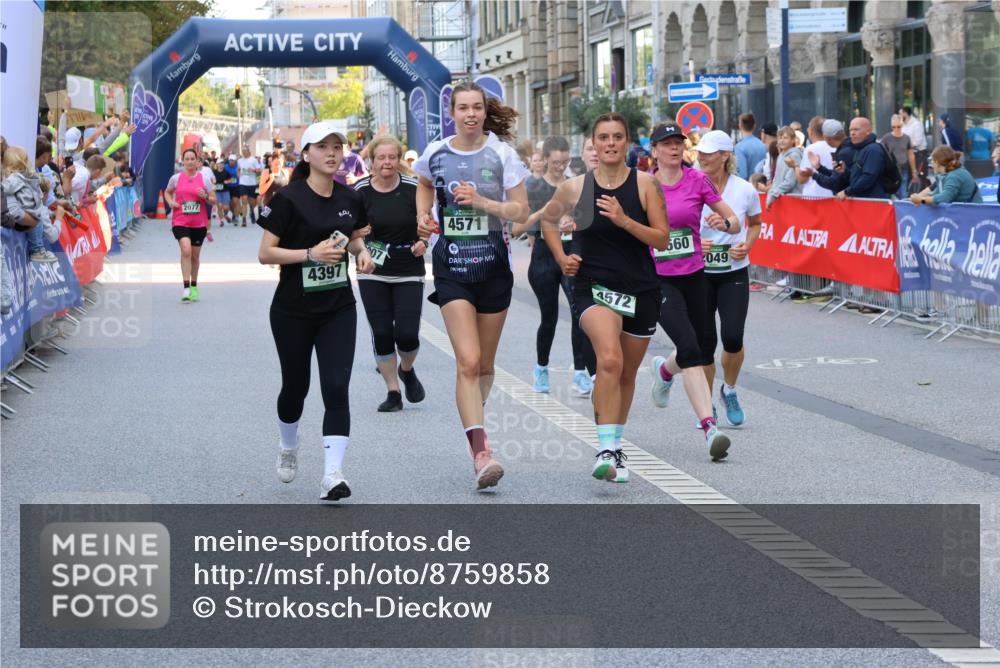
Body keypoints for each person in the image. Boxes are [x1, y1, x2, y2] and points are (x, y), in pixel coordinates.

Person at [413, 80, 530, 490]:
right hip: (452, 269)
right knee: (467, 360)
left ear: (484, 111)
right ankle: (481, 450)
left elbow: (522, 211)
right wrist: (424, 219)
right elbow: (424, 184)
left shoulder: (501, 154)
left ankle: (472, 416)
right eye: (462, 108)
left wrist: (483, 202)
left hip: (495, 270)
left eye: (476, 107)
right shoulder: (436, 153)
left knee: (483, 366)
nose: (470, 114)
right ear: (452, 113)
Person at [539, 112, 669, 481]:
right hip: (593, 287)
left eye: (617, 136)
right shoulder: (575, 187)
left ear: (627, 142)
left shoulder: (646, 185)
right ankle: (606, 449)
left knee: (626, 374)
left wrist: (625, 219)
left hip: (641, 288)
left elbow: (662, 238)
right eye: (603, 137)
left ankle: (617, 445)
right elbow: (547, 221)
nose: (610, 143)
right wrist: (563, 258)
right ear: (593, 144)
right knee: (608, 360)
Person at [256, 121, 375, 502]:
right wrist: (310, 254)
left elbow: (355, 237)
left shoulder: (350, 198)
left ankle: (332, 473)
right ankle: (288, 445)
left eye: (337, 147)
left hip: (338, 306)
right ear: (305, 154)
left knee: (337, 387)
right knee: (296, 388)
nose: (331, 153)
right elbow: (265, 253)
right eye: (322, 147)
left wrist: (363, 254)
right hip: (292, 310)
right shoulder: (288, 199)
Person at [646, 122, 742, 462]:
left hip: (695, 275)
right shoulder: (644, 185)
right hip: (659, 279)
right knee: (690, 349)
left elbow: (734, 220)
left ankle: (664, 370)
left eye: (678, 143)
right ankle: (710, 428)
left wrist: (724, 224)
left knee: (703, 347)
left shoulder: (697, 180)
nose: (674, 148)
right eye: (666, 143)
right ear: (654, 150)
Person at [513, 135, 595, 397]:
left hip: (571, 254)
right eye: (555, 162)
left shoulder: (576, 186)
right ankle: (541, 368)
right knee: (548, 317)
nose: (560, 167)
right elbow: (517, 227)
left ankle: (580, 373)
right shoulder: (532, 187)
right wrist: (544, 214)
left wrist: (574, 221)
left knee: (578, 314)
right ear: (545, 160)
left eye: (564, 162)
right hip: (543, 257)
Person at [353, 136, 428, 412]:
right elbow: (351, 232)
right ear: (371, 161)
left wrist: (424, 242)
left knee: (407, 335)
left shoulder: (413, 188)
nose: (386, 162)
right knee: (383, 331)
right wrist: (359, 247)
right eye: (381, 158)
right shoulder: (359, 191)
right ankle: (393, 391)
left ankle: (406, 370)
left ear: (399, 159)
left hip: (408, 268)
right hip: (372, 270)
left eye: (391, 157)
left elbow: (427, 224)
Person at [696, 130, 762, 427]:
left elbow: (756, 223)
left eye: (709, 152)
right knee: (705, 342)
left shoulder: (745, 189)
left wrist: (747, 245)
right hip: (698, 273)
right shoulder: (690, 185)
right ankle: (706, 405)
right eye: (700, 152)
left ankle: (730, 390)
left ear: (725, 156)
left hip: (734, 271)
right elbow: (675, 223)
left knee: (733, 337)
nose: (702, 157)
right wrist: (697, 242)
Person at [164, 148, 216, 302]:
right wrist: (171, 202)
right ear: (183, 161)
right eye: (187, 159)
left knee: (195, 256)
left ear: (197, 161)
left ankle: (194, 286)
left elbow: (214, 199)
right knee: (186, 250)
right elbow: (167, 192)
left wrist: (205, 196)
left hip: (199, 223)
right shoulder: (175, 178)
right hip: (180, 220)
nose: (190, 162)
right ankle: (186, 288)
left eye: (192, 159)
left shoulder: (204, 178)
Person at [2, 146, 58, 262]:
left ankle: (37, 250)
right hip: (30, 211)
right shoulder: (29, 176)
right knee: (37, 227)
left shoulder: (14, 178)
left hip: (25, 212)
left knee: (36, 228)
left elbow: (5, 188)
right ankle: (38, 249)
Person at [836, 117, 891, 200]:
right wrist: (844, 171)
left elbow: (868, 177)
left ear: (868, 131)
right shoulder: (861, 148)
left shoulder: (873, 150)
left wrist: (847, 192)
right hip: (864, 201)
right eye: (850, 130)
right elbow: (857, 177)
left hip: (873, 203)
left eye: (856, 129)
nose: (852, 133)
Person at [910, 146, 983, 205]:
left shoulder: (954, 176)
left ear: (937, 162)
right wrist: (915, 198)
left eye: (932, 161)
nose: (931, 164)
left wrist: (921, 200)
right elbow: (933, 190)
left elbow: (945, 198)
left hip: (972, 214)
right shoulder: (947, 175)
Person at [880, 114, 919, 198]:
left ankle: (902, 209)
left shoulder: (906, 138)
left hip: (903, 168)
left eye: (898, 126)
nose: (896, 129)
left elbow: (911, 155)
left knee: (903, 193)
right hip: (890, 170)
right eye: (893, 127)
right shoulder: (886, 138)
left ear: (902, 126)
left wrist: (914, 172)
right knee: (890, 192)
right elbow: (881, 154)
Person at [765, 126, 803, 209]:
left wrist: (773, 195)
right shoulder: (780, 156)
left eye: (785, 138)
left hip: (793, 200)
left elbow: (790, 181)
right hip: (782, 199)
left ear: (793, 140)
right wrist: (772, 193)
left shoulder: (794, 155)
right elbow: (776, 180)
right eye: (780, 138)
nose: (782, 141)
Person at [797, 116, 834, 198]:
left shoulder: (810, 149)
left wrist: (794, 166)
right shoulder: (835, 147)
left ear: (811, 131)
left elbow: (802, 179)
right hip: (832, 196)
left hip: (813, 196)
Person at [735, 113, 767, 180]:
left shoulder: (739, 147)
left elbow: (742, 174)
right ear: (754, 126)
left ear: (740, 126)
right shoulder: (764, 145)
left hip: (748, 186)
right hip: (763, 186)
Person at [236, 146, 261, 226]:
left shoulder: (253, 160)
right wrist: (238, 174)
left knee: (253, 203)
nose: (243, 153)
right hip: (243, 183)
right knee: (244, 200)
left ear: (249, 151)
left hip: (252, 183)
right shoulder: (239, 161)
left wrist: (253, 170)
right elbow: (239, 169)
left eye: (245, 151)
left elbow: (259, 171)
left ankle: (252, 210)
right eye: (242, 151)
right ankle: (244, 220)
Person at [211, 158, 231, 223]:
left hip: (225, 191)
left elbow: (231, 180)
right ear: (217, 164)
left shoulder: (226, 172)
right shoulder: (214, 172)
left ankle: (225, 215)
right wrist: (213, 182)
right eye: (220, 163)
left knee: (226, 207)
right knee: (219, 206)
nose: (221, 165)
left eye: (222, 163)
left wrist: (227, 181)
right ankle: (221, 220)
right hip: (217, 192)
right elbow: (211, 180)